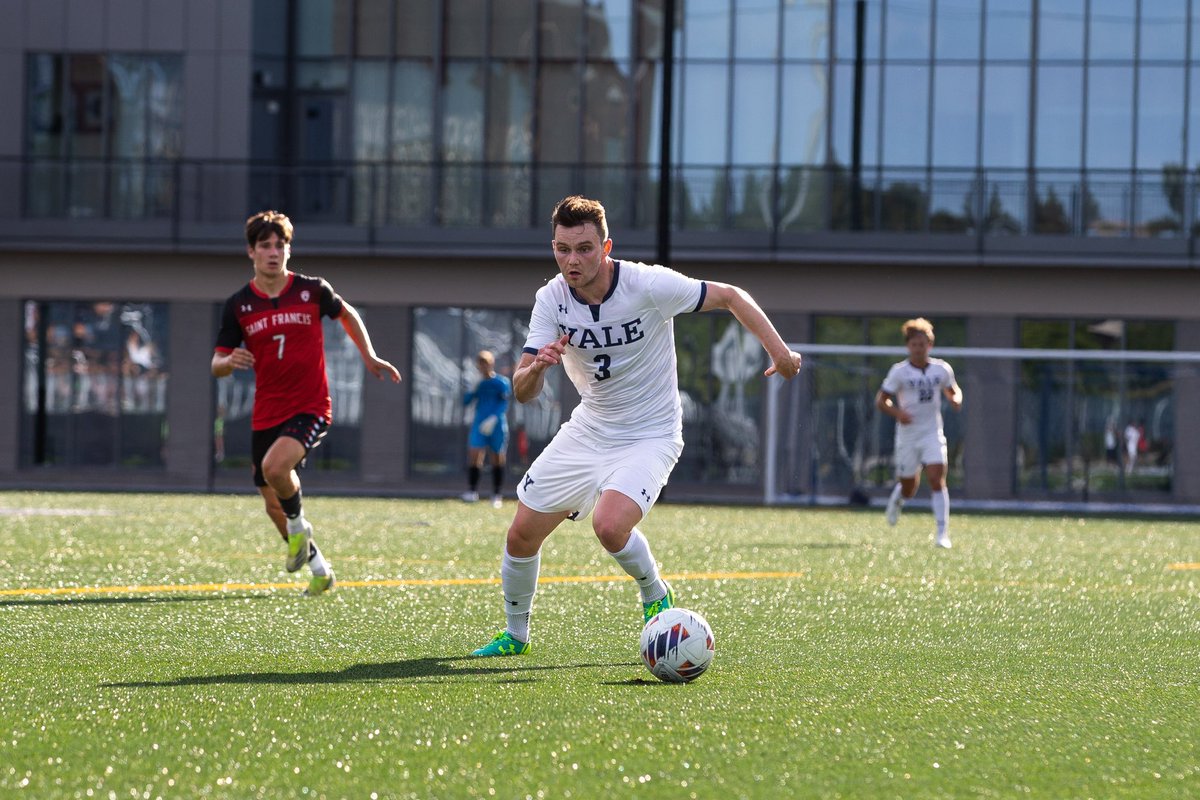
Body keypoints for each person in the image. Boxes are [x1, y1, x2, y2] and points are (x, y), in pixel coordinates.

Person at [471, 195, 803, 657]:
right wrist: (538, 367)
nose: (572, 260)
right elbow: (522, 391)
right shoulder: (551, 299)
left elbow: (730, 296)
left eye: (584, 248)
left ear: (606, 247)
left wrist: (780, 352)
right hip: (589, 429)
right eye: (563, 249)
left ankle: (655, 592)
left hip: (651, 433)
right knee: (520, 534)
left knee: (609, 526)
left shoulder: (647, 284)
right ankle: (516, 635)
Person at [212, 210, 401, 595]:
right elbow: (216, 364)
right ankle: (320, 569)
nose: (273, 252)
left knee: (275, 468)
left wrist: (368, 355)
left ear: (288, 249)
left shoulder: (312, 289)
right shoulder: (239, 305)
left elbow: (346, 314)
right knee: (272, 504)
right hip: (266, 411)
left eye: (280, 245)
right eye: (265, 245)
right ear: (251, 252)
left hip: (310, 405)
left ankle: (299, 527)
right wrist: (229, 362)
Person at [876, 317, 963, 549]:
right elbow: (881, 401)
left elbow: (954, 390)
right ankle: (899, 496)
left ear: (930, 345)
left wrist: (955, 399)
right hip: (908, 435)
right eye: (914, 344)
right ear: (908, 346)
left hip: (932, 432)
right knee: (909, 488)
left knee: (936, 478)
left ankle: (942, 534)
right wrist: (898, 413)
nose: (918, 348)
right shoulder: (899, 372)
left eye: (922, 344)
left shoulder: (941, 369)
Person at [462, 349, 512, 508]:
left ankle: (497, 494)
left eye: (486, 363)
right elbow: (466, 401)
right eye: (480, 364)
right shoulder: (478, 383)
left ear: (491, 364)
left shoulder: (502, 382)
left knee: (497, 457)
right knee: (475, 455)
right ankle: (472, 491)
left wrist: (494, 418)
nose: (483, 367)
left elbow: (504, 403)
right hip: (479, 423)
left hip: (496, 424)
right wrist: (472, 389)